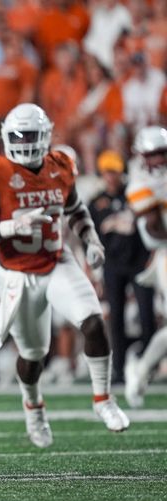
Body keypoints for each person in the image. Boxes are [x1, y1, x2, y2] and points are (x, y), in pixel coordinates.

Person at [0, 103, 129, 448]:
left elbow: (75, 207)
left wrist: (90, 238)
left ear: (46, 136)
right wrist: (11, 225)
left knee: (94, 321)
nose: (24, 141)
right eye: (19, 135)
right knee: (32, 356)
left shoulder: (60, 165)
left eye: (31, 135)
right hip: (18, 275)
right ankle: (34, 406)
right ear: (7, 136)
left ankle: (103, 400)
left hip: (57, 262)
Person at [88, 150, 154, 384]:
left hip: (139, 262)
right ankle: (118, 369)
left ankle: (148, 368)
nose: (111, 177)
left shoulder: (136, 195)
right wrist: (95, 271)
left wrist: (151, 255)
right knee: (115, 318)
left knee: (147, 316)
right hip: (113, 266)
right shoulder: (95, 203)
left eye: (114, 171)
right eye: (107, 172)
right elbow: (91, 239)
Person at [123, 126, 167, 408]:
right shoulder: (138, 182)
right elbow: (156, 225)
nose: (158, 159)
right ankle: (140, 367)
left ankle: (140, 368)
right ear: (141, 156)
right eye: (152, 154)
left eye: (162, 153)